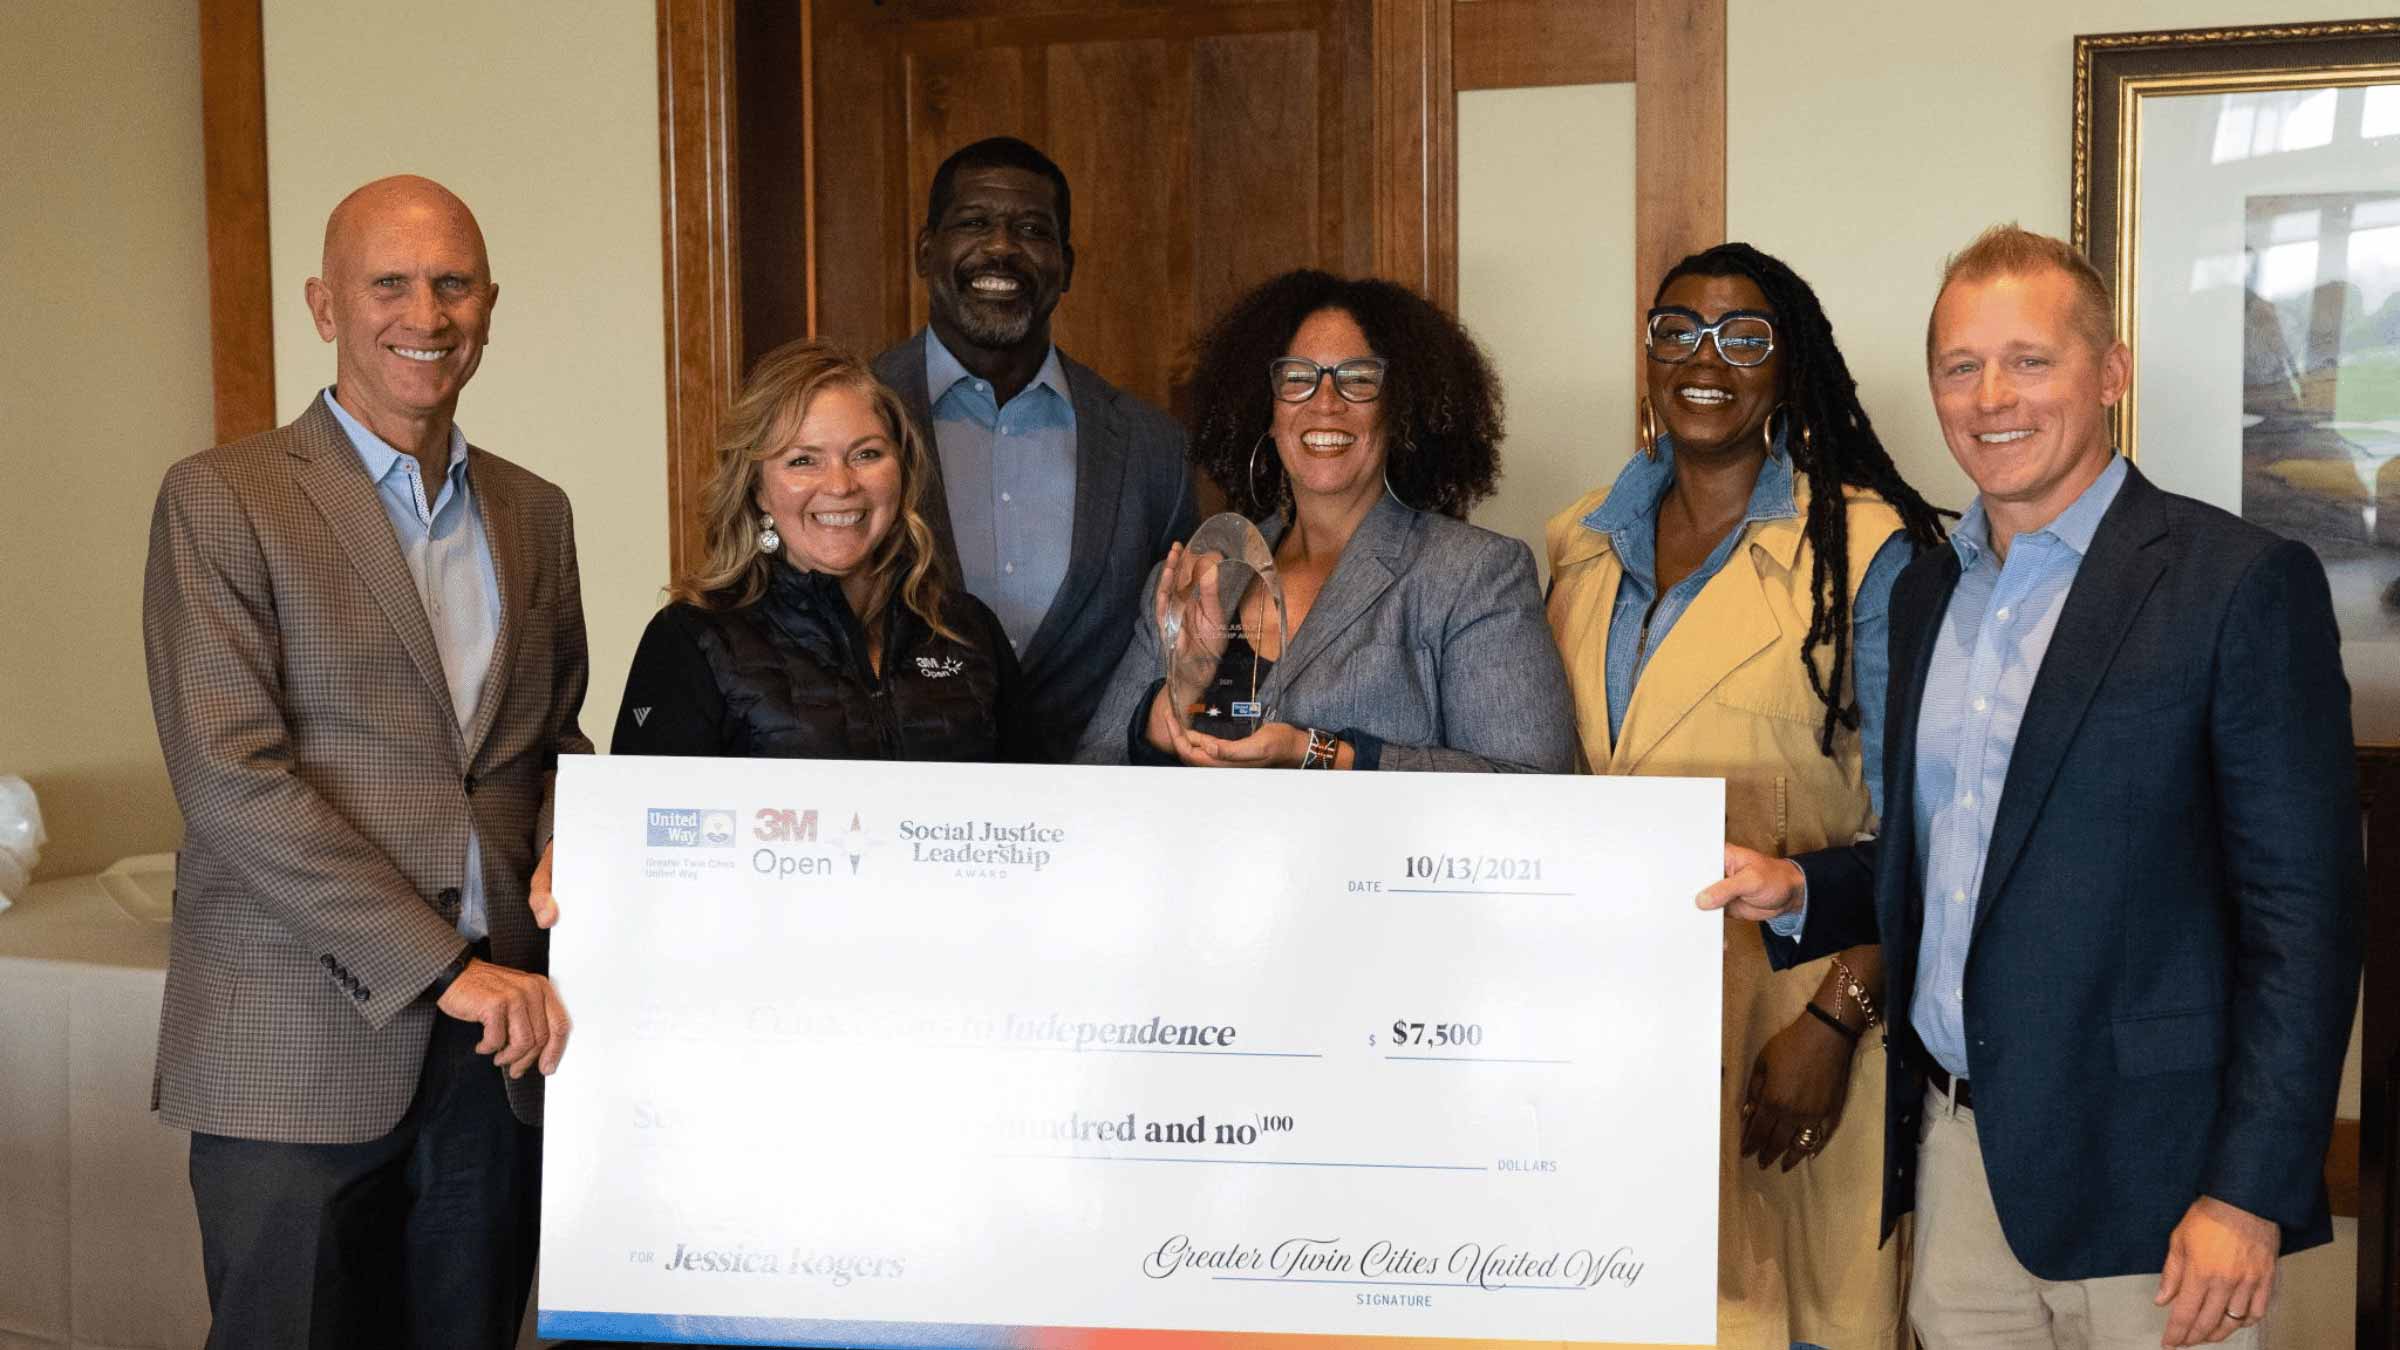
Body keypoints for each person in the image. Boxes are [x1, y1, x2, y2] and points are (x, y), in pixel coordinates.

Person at [1703, 224, 2362, 1350]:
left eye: (2029, 360)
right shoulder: (1928, 593)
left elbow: (2306, 920)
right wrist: (1801, 887)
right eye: (1960, 367)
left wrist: (2248, 1192)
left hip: (2160, 1191)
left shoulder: (2239, 585)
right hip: (1960, 1166)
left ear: (2111, 373)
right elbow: (1960, 857)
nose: (1990, 397)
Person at [142, 175, 585, 1347]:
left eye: (452, 284)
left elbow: (549, 742)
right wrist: (444, 966)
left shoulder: (537, 514)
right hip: (295, 1047)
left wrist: (570, 830)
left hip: (497, 1057)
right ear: (323, 306)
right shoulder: (221, 500)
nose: (425, 314)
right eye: (388, 283)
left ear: (490, 305)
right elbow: (233, 778)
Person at [1548, 243, 1948, 1350]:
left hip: (1800, 1026)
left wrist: (1838, 1020)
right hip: (1618, 1024)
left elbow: (1921, 825)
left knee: (1795, 1318)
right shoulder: (1578, 543)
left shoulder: (1871, 553)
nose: (1704, 358)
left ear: (1790, 365)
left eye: (1744, 335)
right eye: (1676, 330)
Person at [1075, 268, 1574, 772]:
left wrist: (1317, 753)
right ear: (1266, 412)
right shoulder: (1194, 579)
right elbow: (1093, 775)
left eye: (1358, 379)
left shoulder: (1474, 575)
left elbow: (1528, 784)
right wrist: (1180, 692)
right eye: (1297, 378)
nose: (1326, 404)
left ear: (1398, 408)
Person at [871, 136, 1195, 763]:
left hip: (1098, 823)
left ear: (1065, 265)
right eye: (973, 223)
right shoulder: (850, 424)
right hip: (891, 825)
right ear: (924, 250)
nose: (1001, 248)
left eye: (1031, 229)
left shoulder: (1152, 448)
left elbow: (1178, 654)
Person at [612, 339, 1024, 761]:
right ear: (758, 489)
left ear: (902, 471)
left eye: (866, 454)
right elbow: (642, 820)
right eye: (803, 461)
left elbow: (1036, 812)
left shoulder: (970, 631)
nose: (841, 485)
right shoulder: (690, 639)